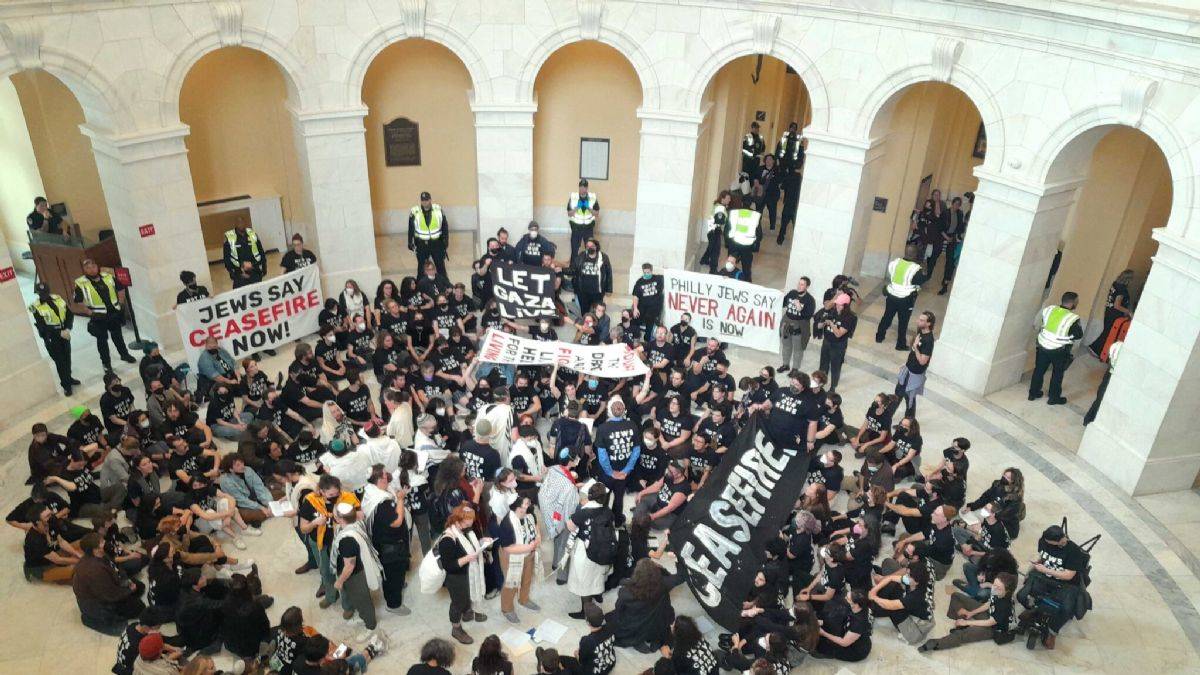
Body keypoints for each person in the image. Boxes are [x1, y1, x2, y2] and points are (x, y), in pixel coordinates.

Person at [1018, 524, 1088, 649]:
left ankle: (1053, 631)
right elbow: (1042, 557)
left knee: (1066, 609)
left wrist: (1046, 570)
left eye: (1049, 542)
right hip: (1045, 576)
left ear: (1059, 540)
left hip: (1066, 583)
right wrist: (1032, 569)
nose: (1046, 543)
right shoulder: (1044, 541)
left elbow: (1069, 575)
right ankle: (1034, 610)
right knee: (1022, 595)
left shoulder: (1073, 551)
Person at [920, 572, 1017, 652]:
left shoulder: (1005, 605)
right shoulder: (997, 592)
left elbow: (990, 622)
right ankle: (961, 620)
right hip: (989, 614)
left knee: (962, 635)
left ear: (1007, 591)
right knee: (956, 595)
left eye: (998, 588)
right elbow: (989, 603)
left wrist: (967, 622)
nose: (994, 588)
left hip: (993, 628)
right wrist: (971, 613)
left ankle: (937, 643)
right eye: (994, 585)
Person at [362, 464, 412, 616]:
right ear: (380, 479)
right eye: (385, 474)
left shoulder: (374, 491)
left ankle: (398, 583)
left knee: (396, 572)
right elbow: (396, 522)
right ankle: (393, 604)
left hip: (392, 542)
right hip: (390, 546)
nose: (388, 475)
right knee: (392, 574)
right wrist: (401, 499)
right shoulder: (381, 502)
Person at [72, 532, 145, 635]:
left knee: (140, 587)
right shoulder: (95, 570)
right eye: (102, 542)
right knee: (139, 608)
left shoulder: (101, 555)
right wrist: (128, 590)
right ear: (96, 549)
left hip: (111, 585)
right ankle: (91, 618)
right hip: (98, 602)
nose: (105, 542)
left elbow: (115, 567)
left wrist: (125, 581)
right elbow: (110, 594)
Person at [73, 258, 137, 371]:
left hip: (113, 312)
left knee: (118, 336)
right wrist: (89, 312)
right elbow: (78, 301)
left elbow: (120, 288)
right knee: (102, 341)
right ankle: (106, 364)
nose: (91, 269)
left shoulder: (108, 277)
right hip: (98, 316)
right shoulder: (80, 283)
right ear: (84, 270)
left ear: (97, 266)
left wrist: (121, 304)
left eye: (93, 266)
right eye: (88, 268)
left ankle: (124, 355)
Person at [331, 502, 383, 640]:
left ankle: (370, 626)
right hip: (358, 569)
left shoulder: (347, 540)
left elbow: (349, 566)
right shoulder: (356, 523)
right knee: (357, 599)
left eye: (335, 513)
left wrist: (339, 581)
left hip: (355, 575)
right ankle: (363, 616)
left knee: (362, 600)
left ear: (340, 519)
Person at [438, 504, 488, 644]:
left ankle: (467, 613)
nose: (470, 525)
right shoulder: (447, 539)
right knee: (458, 602)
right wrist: (468, 558)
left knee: (468, 595)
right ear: (457, 521)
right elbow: (449, 566)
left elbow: (469, 546)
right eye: (467, 522)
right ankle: (456, 629)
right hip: (456, 577)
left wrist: (482, 542)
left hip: (468, 572)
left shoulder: (465, 530)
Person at [609, 558, 675, 653]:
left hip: (633, 623)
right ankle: (645, 638)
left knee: (614, 620)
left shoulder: (625, 593)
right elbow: (673, 577)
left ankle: (636, 640)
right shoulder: (662, 587)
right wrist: (661, 568)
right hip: (653, 621)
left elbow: (618, 609)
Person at [1029, 291, 1083, 405]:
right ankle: (1053, 398)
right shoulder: (1072, 318)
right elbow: (1079, 335)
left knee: (1039, 370)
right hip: (1059, 350)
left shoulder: (1049, 309)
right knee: (1057, 373)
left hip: (1043, 345)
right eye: (1077, 302)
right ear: (1073, 303)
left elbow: (1045, 323)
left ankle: (1033, 393)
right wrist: (1068, 336)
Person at [496, 495, 542, 623]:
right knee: (512, 583)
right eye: (525, 504)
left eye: (528, 503)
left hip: (528, 553)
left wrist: (538, 536)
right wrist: (529, 547)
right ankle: (507, 609)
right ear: (517, 507)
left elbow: (535, 524)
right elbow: (507, 548)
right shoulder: (507, 523)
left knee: (527, 578)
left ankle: (524, 599)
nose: (528, 506)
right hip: (512, 557)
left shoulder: (529, 513)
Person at [594, 397, 640, 523]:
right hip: (623, 473)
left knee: (603, 497)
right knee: (619, 498)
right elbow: (636, 451)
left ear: (609, 410)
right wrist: (626, 470)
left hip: (607, 474)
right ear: (624, 410)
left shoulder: (603, 428)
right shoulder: (632, 425)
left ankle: (603, 522)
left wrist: (610, 472)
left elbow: (602, 456)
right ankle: (618, 520)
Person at [29, 281, 78, 394]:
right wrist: (59, 333)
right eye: (41, 294)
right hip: (51, 338)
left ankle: (69, 378)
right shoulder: (35, 307)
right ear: (38, 294)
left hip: (64, 334)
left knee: (67, 358)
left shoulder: (58, 298)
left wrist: (67, 328)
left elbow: (69, 314)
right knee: (60, 361)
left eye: (45, 292)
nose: (44, 295)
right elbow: (42, 326)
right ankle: (66, 385)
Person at [875, 246, 927, 350]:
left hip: (891, 295)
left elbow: (892, 274)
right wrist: (924, 270)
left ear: (905, 252)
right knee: (903, 322)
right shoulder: (916, 268)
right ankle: (900, 344)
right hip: (906, 299)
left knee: (887, 317)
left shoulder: (895, 263)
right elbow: (920, 281)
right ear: (915, 254)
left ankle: (879, 337)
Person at [815, 589, 872, 662]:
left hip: (856, 651)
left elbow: (844, 643)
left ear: (855, 604)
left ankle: (830, 653)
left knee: (821, 647)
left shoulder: (858, 623)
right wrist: (824, 622)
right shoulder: (861, 607)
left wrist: (824, 633)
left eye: (847, 598)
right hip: (855, 636)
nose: (845, 598)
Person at [896, 311, 935, 416]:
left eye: (922, 320)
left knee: (909, 399)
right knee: (898, 394)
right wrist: (907, 363)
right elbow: (913, 352)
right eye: (919, 319)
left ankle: (909, 421)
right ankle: (888, 416)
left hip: (914, 374)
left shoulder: (929, 340)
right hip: (908, 369)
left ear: (929, 323)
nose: (918, 321)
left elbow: (922, 361)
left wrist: (916, 347)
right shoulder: (920, 332)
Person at [1088, 270, 1134, 357]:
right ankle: (1095, 349)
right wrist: (1129, 312)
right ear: (1128, 279)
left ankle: (1097, 350)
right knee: (1109, 333)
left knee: (1107, 331)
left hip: (1109, 311)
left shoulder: (1115, 284)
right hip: (1114, 314)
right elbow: (1117, 305)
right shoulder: (1122, 289)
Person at [817, 292, 856, 391]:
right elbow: (819, 326)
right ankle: (820, 382)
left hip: (838, 345)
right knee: (823, 364)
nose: (837, 306)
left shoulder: (850, 317)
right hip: (827, 342)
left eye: (840, 304)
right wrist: (823, 321)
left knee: (835, 366)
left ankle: (833, 386)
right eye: (837, 303)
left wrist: (831, 324)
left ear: (846, 306)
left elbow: (838, 334)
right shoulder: (832, 311)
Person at [409, 191, 450, 277]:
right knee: (421, 267)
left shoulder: (438, 210)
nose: (425, 202)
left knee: (440, 266)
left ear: (430, 200)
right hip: (422, 243)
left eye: (426, 200)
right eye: (423, 200)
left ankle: (444, 283)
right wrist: (410, 242)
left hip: (436, 243)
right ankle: (421, 284)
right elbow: (411, 228)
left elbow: (445, 226)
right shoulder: (415, 212)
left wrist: (446, 240)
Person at [779, 276, 815, 373]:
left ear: (807, 287)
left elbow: (808, 316)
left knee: (798, 349)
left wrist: (800, 308)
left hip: (799, 327)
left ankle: (795, 368)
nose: (799, 286)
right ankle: (785, 364)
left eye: (802, 284)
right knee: (786, 346)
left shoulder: (810, 300)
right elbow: (783, 303)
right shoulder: (792, 293)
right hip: (787, 324)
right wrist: (779, 295)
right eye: (799, 283)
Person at [1084, 340, 1122, 425]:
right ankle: (1090, 420)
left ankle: (1088, 419)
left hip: (1110, 372)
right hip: (1114, 375)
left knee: (1099, 398)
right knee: (1101, 400)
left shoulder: (1117, 345)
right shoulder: (1122, 349)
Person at [572, 238, 613, 316]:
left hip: (597, 292)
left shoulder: (604, 257)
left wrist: (609, 289)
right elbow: (574, 269)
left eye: (592, 246)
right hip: (583, 292)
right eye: (588, 246)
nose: (590, 248)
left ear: (596, 246)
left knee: (597, 314)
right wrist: (561, 270)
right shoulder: (582, 256)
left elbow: (609, 273)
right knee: (584, 313)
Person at [223, 217, 266, 287]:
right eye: (239, 223)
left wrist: (264, 267)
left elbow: (261, 252)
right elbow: (226, 258)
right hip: (238, 272)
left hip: (254, 270)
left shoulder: (252, 234)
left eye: (242, 222)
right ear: (235, 224)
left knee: (258, 290)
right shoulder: (229, 237)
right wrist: (235, 270)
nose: (241, 224)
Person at [723, 205, 761, 282]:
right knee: (746, 267)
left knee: (730, 265)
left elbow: (726, 230)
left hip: (734, 243)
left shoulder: (734, 213)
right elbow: (759, 234)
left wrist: (727, 244)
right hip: (747, 246)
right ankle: (747, 282)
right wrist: (755, 247)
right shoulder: (754, 215)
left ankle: (728, 281)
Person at [568, 178, 600, 265]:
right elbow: (569, 214)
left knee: (590, 248)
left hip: (588, 228)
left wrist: (589, 208)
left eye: (585, 187)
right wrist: (577, 208)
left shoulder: (592, 198)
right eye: (581, 187)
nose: (583, 189)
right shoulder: (573, 197)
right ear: (579, 187)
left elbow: (596, 213)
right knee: (574, 249)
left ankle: (589, 265)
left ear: (587, 188)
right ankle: (573, 268)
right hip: (576, 228)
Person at [631, 263, 664, 342]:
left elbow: (668, 277)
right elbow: (635, 296)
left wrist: (666, 269)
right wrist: (635, 308)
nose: (646, 274)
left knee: (650, 322)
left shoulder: (658, 279)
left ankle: (647, 341)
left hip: (654, 308)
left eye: (648, 272)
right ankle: (635, 339)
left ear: (651, 271)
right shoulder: (639, 282)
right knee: (635, 319)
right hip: (642, 307)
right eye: (644, 272)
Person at [700, 191, 731, 274]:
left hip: (711, 230)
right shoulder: (720, 208)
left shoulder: (718, 206)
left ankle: (704, 260)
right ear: (722, 198)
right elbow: (720, 221)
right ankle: (713, 270)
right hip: (715, 231)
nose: (729, 200)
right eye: (728, 198)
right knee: (715, 251)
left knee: (711, 246)